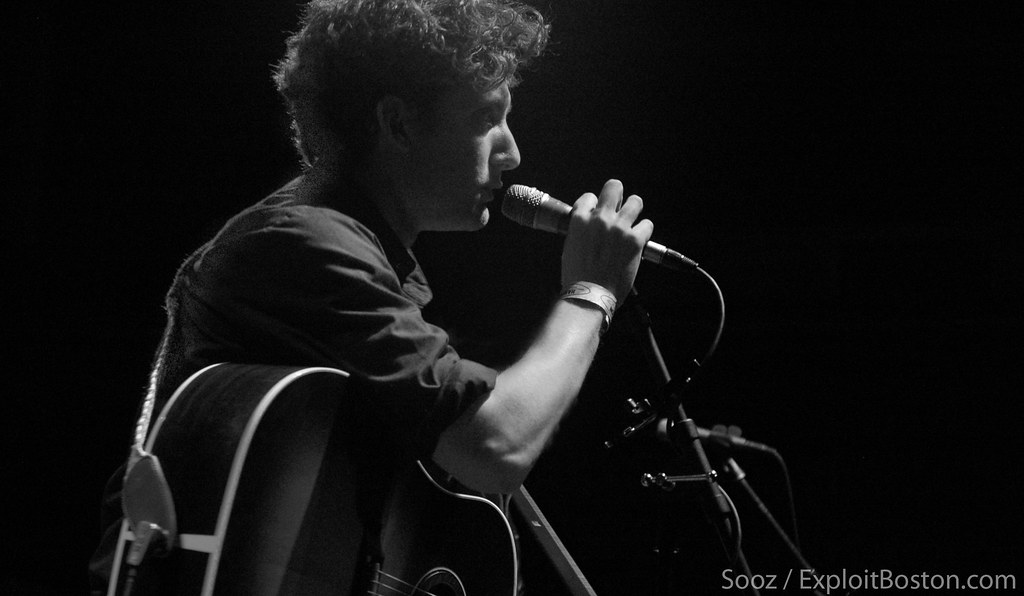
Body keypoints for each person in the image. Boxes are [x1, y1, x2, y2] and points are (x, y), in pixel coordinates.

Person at [90, 0, 653, 593]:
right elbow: (496, 445)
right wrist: (593, 290)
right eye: (488, 118)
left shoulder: (350, 250)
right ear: (398, 124)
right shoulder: (308, 244)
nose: (512, 153)